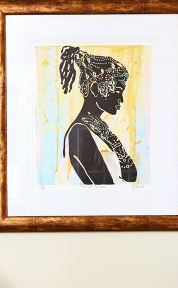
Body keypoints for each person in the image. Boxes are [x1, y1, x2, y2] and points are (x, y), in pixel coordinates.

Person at [59, 45, 137, 185]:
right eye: (118, 90)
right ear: (95, 89)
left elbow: (131, 177)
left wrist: (116, 144)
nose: (121, 98)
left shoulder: (100, 128)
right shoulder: (80, 132)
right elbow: (106, 190)